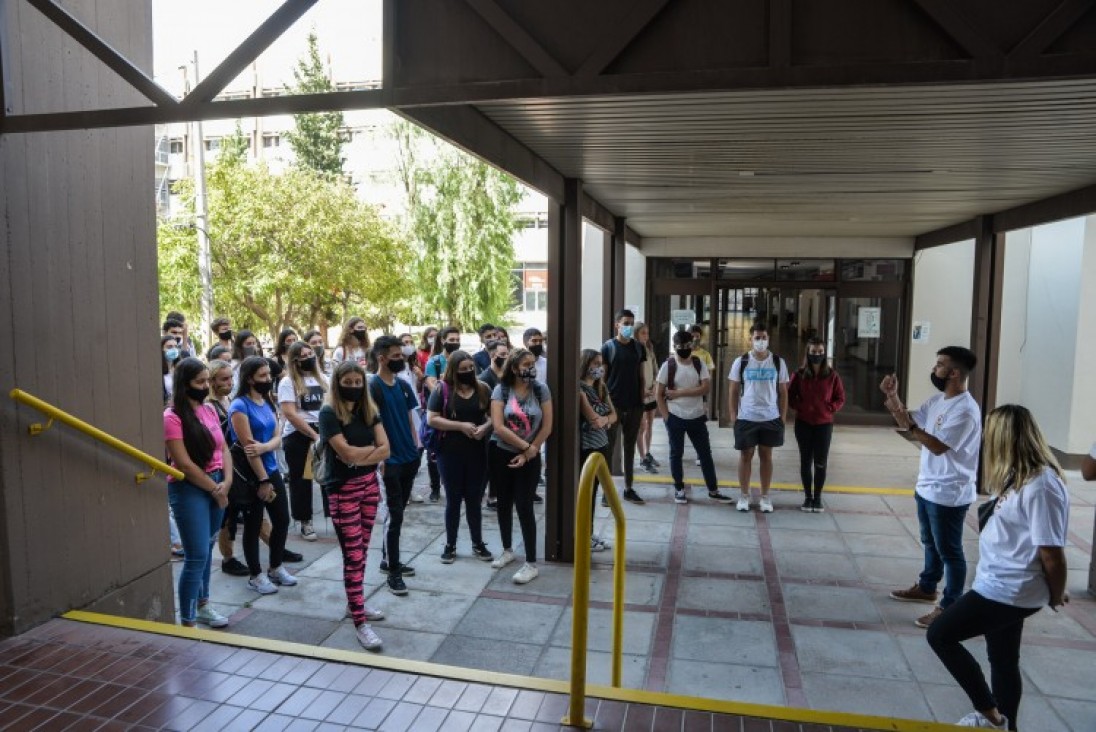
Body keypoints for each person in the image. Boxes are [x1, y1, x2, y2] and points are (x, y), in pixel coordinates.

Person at [926, 405, 1069, 730]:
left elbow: (1052, 554)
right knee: (1003, 659)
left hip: (1009, 590)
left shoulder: (1041, 486)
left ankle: (990, 715)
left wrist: (1056, 594)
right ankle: (1007, 724)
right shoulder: (1019, 475)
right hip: (999, 583)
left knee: (940, 636)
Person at [880, 346, 982, 628]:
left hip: (949, 492)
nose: (934, 369)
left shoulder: (966, 411)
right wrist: (893, 398)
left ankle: (950, 606)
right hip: (927, 486)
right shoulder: (938, 400)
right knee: (930, 542)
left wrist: (913, 430)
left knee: (950, 550)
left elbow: (936, 446)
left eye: (939, 365)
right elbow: (909, 423)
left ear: (954, 373)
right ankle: (927, 587)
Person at [317, 361, 391, 651]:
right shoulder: (328, 413)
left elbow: (387, 449)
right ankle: (360, 622)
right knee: (354, 555)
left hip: (369, 486)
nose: (353, 387)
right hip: (343, 490)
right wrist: (372, 454)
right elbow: (345, 453)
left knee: (362, 549)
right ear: (337, 383)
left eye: (357, 382)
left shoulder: (369, 410)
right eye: (346, 382)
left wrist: (361, 456)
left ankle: (355, 604)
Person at [163, 357, 231, 628]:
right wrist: (215, 488)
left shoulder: (209, 410)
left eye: (207, 381)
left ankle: (203, 605)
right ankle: (188, 621)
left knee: (208, 548)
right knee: (197, 555)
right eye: (200, 382)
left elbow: (223, 449)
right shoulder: (172, 417)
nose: (206, 386)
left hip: (217, 485)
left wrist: (226, 482)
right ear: (184, 384)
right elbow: (184, 464)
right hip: (190, 489)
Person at [229, 356, 295, 595]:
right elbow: (249, 449)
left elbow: (277, 438)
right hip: (252, 475)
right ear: (249, 379)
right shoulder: (239, 407)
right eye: (263, 376)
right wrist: (263, 480)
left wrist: (266, 447)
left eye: (269, 375)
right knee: (253, 524)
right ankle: (255, 575)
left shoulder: (267, 402)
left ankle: (275, 567)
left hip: (271, 468)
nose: (269, 380)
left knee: (282, 520)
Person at [488, 348, 553, 584]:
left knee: (524, 505)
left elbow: (547, 426)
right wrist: (526, 448)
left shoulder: (540, 389)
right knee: (503, 502)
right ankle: (507, 549)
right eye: (526, 364)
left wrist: (529, 452)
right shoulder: (501, 389)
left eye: (533, 363)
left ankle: (531, 563)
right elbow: (498, 426)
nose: (531, 368)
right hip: (502, 453)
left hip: (530, 457)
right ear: (514, 368)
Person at [427, 350, 495, 563]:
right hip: (449, 453)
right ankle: (450, 544)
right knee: (453, 500)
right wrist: (460, 426)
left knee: (474, 500)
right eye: (463, 369)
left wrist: (485, 428)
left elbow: (495, 417)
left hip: (477, 452)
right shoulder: (442, 389)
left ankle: (478, 543)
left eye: (470, 368)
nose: (468, 372)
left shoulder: (483, 388)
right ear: (454, 371)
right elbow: (432, 418)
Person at [369, 335, 423, 596]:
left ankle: (387, 559)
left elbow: (410, 419)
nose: (401, 359)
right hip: (389, 461)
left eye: (402, 355)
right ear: (381, 358)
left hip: (408, 457)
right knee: (394, 515)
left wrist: (415, 449)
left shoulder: (403, 385)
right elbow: (371, 426)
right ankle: (393, 572)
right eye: (396, 356)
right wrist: (380, 458)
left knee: (398, 512)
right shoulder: (373, 387)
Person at [656, 330, 730, 505]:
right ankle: (679, 488)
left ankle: (713, 489)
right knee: (676, 454)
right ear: (674, 347)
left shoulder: (698, 364)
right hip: (675, 417)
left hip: (697, 417)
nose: (684, 349)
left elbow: (705, 388)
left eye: (687, 346)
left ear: (693, 346)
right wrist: (667, 417)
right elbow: (658, 393)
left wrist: (679, 393)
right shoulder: (668, 366)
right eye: (680, 347)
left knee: (705, 454)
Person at [727, 322, 789, 513]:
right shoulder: (742, 361)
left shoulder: (778, 362)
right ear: (750, 339)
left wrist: (783, 417)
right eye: (757, 338)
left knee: (766, 456)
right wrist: (733, 415)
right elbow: (733, 390)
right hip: (747, 417)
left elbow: (783, 392)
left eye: (764, 337)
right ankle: (744, 496)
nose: (761, 341)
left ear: (768, 339)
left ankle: (765, 497)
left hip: (770, 417)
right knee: (745, 456)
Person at [788, 338, 846, 512]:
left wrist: (830, 408)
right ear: (808, 353)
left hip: (824, 425)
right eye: (813, 352)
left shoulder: (832, 376)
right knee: (806, 461)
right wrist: (801, 407)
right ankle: (807, 497)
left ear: (824, 353)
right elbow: (790, 396)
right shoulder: (798, 374)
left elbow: (840, 398)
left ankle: (818, 498)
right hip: (803, 423)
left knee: (820, 462)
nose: (817, 355)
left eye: (820, 352)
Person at [278, 341, 328, 542]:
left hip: (322, 431)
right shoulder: (287, 382)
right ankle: (304, 521)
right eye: (304, 355)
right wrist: (313, 435)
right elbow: (290, 413)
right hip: (299, 435)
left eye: (311, 353)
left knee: (328, 475)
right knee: (302, 480)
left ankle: (334, 515)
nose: (310, 357)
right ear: (295, 361)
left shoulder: (322, 378)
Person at [601, 310, 647, 504]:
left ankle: (629, 487)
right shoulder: (608, 347)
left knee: (630, 447)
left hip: (635, 404)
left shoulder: (639, 348)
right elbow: (603, 378)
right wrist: (603, 405)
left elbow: (642, 376)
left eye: (631, 323)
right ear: (617, 325)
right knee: (609, 448)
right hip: (614, 405)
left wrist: (642, 404)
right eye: (625, 323)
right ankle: (606, 491)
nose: (629, 326)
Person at [578, 349, 615, 551]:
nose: (599, 368)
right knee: (587, 494)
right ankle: (584, 535)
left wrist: (605, 420)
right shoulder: (580, 389)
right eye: (595, 363)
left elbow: (613, 416)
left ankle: (589, 533)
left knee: (595, 491)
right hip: (587, 448)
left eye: (600, 364)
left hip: (602, 445)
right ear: (585, 364)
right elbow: (592, 418)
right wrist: (602, 420)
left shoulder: (602, 387)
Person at [635, 322, 659, 475]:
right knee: (641, 426)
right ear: (636, 334)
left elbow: (656, 368)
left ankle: (648, 452)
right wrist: (642, 389)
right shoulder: (634, 350)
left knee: (650, 424)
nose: (646, 336)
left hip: (651, 393)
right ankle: (642, 457)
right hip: (640, 394)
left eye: (647, 333)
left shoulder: (649, 348)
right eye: (643, 333)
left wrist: (655, 386)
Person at [161, 335, 181, 404]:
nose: (174, 349)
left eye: (176, 346)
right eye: (169, 347)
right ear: (161, 349)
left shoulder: (181, 368)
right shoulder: (158, 370)